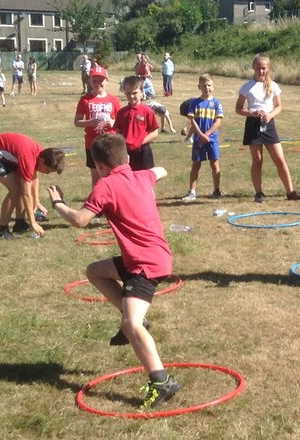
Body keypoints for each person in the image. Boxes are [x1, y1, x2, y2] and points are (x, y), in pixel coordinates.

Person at [46, 133, 181, 409]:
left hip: (145, 264)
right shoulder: (141, 177)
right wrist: (153, 173)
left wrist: (58, 203)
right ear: (127, 159)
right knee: (95, 271)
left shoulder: (105, 186)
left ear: (99, 166)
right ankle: (133, 318)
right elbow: (161, 170)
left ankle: (161, 380)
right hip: (146, 256)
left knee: (130, 325)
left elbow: (80, 220)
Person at [235, 54, 300, 202]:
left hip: (269, 124)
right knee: (257, 160)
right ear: (254, 67)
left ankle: (290, 192)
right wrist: (253, 113)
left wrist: (270, 115)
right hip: (253, 125)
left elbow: (279, 106)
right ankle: (259, 193)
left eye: (263, 68)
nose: (261, 71)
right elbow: (238, 109)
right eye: (258, 68)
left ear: (268, 68)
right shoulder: (247, 87)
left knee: (279, 159)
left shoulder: (274, 86)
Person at [0, 132, 65, 239]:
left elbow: (34, 177)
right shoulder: (28, 157)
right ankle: (2, 230)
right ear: (42, 161)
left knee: (20, 187)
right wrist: (33, 222)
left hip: (4, 155)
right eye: (47, 170)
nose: (46, 173)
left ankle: (20, 224)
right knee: (16, 189)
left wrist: (36, 202)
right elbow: (26, 194)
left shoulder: (40, 154)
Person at [74, 65, 121, 187]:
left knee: (112, 174)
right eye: (94, 80)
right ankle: (98, 202)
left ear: (107, 81)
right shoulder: (85, 100)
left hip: (110, 142)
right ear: (89, 81)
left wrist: (113, 122)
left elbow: (120, 121)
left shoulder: (113, 100)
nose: (98, 83)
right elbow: (77, 122)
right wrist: (90, 122)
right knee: (96, 176)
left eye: (101, 80)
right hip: (92, 143)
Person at [182, 74, 224, 202]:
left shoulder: (216, 103)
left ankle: (216, 190)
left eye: (209, 85)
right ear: (199, 87)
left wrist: (207, 135)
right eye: (204, 85)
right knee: (196, 164)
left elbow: (218, 122)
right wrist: (200, 135)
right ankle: (192, 192)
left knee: (214, 164)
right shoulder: (194, 103)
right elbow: (192, 120)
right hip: (198, 140)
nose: (207, 88)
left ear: (213, 86)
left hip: (212, 139)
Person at [113, 76, 160, 171]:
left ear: (142, 92)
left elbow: (155, 133)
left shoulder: (147, 111)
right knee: (128, 180)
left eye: (135, 93)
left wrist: (139, 142)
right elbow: (118, 132)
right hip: (126, 152)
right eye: (128, 93)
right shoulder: (122, 112)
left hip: (143, 151)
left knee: (145, 181)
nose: (131, 96)